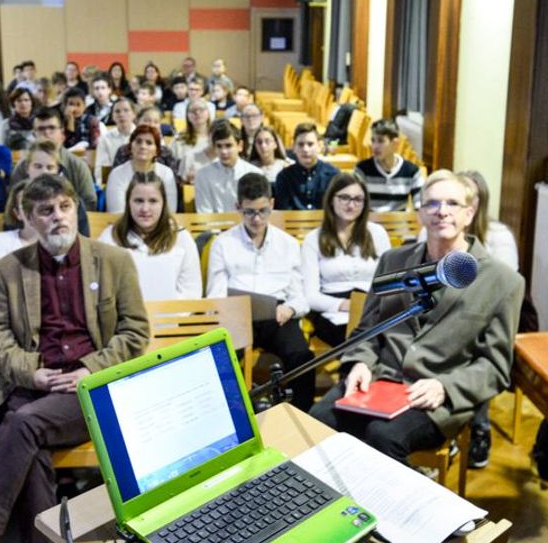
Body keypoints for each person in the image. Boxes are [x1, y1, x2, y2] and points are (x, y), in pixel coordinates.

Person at [0, 173, 149, 543]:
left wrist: (88, 370)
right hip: (33, 386)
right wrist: (33, 374)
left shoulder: (114, 262)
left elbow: (136, 332)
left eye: (64, 207)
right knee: (29, 442)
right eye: (45, 211)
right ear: (27, 217)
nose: (57, 217)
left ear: (76, 209)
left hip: (89, 389)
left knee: (21, 426)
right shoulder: (8, 269)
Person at [309, 170, 523, 467]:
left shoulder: (502, 281)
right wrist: (359, 362)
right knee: (316, 423)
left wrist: (445, 387)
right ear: (421, 213)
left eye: (452, 203)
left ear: (469, 213)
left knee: (382, 436)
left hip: (433, 393)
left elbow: (495, 367)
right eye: (432, 204)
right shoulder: (393, 261)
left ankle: (399, 510)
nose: (442, 211)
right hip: (379, 380)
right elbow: (368, 328)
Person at [206, 173, 313, 409]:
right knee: (221, 359)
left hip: (278, 316)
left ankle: (304, 415)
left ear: (272, 205)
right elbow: (215, 296)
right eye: (249, 212)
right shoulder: (223, 243)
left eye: (263, 211)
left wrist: (290, 308)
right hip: (236, 316)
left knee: (301, 356)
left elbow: (301, 297)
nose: (256, 219)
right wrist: (231, 312)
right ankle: (231, 415)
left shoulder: (288, 244)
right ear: (238, 208)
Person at [301, 174, 391, 346]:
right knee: (356, 342)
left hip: (372, 306)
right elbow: (310, 296)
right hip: (332, 310)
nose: (351, 205)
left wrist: (369, 306)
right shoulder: (313, 239)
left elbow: (388, 281)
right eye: (344, 198)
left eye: (358, 199)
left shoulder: (377, 233)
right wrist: (346, 305)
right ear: (331, 200)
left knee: (391, 340)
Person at [99, 171, 202, 300]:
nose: (145, 209)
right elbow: (102, 289)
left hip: (171, 316)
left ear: (163, 204)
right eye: (138, 201)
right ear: (128, 203)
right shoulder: (109, 237)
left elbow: (191, 291)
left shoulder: (182, 238)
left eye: (153, 201)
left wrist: (164, 313)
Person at [25, 107, 97, 210]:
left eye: (52, 128)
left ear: (62, 132)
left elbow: (90, 203)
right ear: (34, 134)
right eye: (41, 129)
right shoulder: (23, 166)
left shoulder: (78, 166)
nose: (46, 133)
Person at [104, 123, 178, 214]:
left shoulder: (166, 173)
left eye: (149, 143)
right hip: (124, 225)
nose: (143, 146)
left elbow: (170, 210)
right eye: (138, 142)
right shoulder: (117, 174)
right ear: (130, 147)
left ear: (156, 151)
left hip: (159, 225)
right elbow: (116, 211)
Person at [355, 118, 424, 211]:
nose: (375, 146)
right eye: (373, 140)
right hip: (370, 223)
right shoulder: (362, 170)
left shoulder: (412, 171)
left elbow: (421, 205)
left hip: (399, 224)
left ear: (395, 143)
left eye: (380, 141)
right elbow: (355, 202)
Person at [195, 120, 262, 213]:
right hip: (213, 226)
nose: (224, 151)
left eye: (228, 145)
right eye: (219, 146)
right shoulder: (203, 175)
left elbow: (256, 212)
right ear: (214, 148)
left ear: (240, 146)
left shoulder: (255, 174)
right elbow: (204, 212)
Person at [274, 122, 337, 210]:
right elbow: (283, 210)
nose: (305, 149)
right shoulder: (284, 177)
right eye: (300, 144)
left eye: (310, 144)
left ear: (319, 146)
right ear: (293, 148)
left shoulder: (333, 175)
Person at [0, 179, 38, 273]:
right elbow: (1, 284)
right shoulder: (1, 240)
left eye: (40, 203)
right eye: (26, 205)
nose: (34, 210)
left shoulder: (61, 240)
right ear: (17, 213)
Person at [94, 97, 136, 187]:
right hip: (115, 185)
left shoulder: (142, 135)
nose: (121, 114)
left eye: (126, 110)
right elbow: (102, 171)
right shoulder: (105, 139)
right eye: (117, 111)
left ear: (134, 114)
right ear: (113, 116)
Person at [172, 98, 214, 184]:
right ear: (187, 116)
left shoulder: (216, 138)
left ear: (208, 113)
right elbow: (172, 165)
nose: (197, 113)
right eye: (193, 111)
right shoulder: (179, 139)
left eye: (201, 109)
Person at [60, 87, 100, 154]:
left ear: (84, 106)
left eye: (78, 105)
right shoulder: (60, 122)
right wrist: (70, 122)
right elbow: (64, 145)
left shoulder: (92, 120)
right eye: (71, 104)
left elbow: (95, 144)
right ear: (65, 106)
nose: (75, 108)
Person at [0, 87, 38, 151]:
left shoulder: (38, 123)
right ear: (13, 104)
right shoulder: (5, 124)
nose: (23, 103)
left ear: (31, 103)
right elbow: (1, 148)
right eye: (19, 100)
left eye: (26, 100)